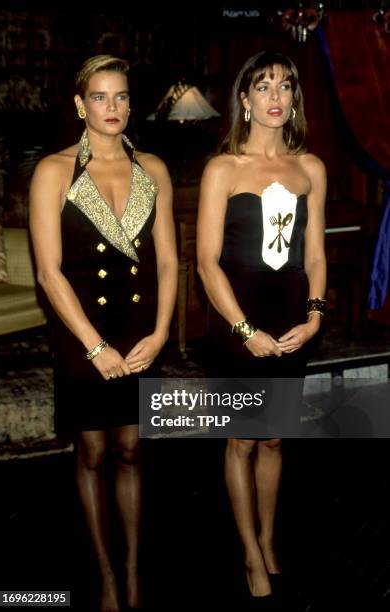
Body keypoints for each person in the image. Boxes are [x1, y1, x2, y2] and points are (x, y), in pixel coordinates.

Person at [29, 55, 178, 611]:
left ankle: (135, 573)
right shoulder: (54, 171)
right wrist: (93, 346)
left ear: (130, 104)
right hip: (81, 328)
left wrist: (162, 333)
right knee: (92, 450)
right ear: (79, 104)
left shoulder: (153, 169)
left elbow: (168, 260)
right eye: (99, 97)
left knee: (133, 448)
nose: (111, 108)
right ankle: (106, 577)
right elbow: (48, 271)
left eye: (121, 97)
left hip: (139, 329)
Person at [197, 50, 326, 605]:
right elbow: (205, 261)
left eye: (285, 87)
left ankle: (269, 538)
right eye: (263, 86)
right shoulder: (222, 168)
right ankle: (249, 551)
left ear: (293, 98)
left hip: (292, 318)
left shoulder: (311, 168)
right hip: (237, 319)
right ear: (244, 99)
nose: (276, 97)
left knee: (274, 437)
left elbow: (316, 254)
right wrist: (243, 329)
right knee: (243, 440)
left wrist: (316, 315)